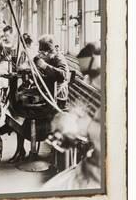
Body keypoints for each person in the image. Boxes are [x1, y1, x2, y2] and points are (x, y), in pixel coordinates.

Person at [41, 41, 101, 190]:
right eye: (85, 74)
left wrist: (85, 126)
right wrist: (71, 125)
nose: (88, 80)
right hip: (88, 171)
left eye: (92, 73)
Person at [33, 34, 69, 109]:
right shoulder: (48, 58)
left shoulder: (58, 58)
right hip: (48, 93)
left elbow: (63, 75)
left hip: (58, 98)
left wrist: (44, 66)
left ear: (48, 51)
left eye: (42, 53)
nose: (40, 55)